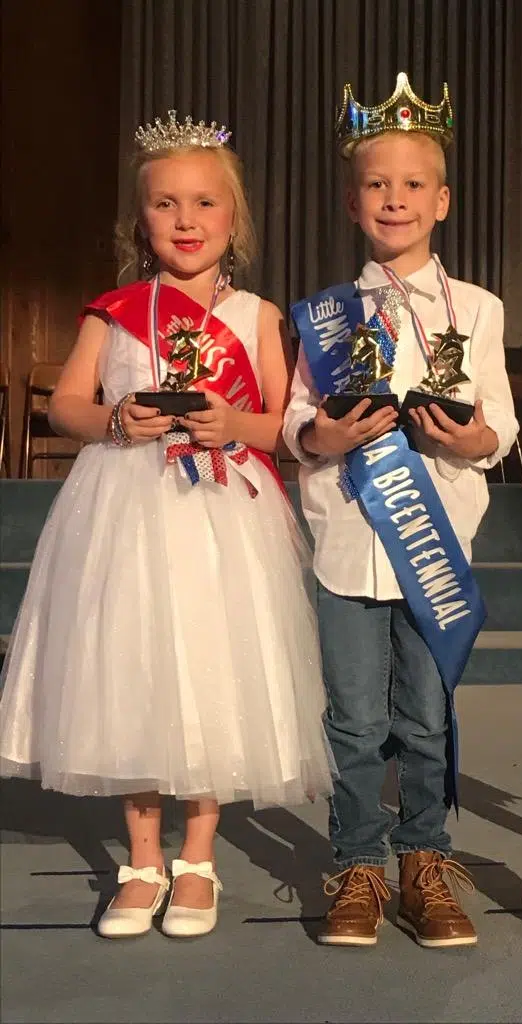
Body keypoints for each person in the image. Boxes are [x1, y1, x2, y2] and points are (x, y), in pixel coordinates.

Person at [0, 110, 334, 940]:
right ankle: (140, 859)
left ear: (235, 218)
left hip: (223, 517)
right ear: (139, 220)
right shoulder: (114, 312)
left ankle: (198, 858)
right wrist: (115, 420)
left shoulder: (258, 316)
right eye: (166, 205)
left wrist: (233, 423)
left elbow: (285, 426)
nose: (186, 221)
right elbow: (70, 404)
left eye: (205, 204)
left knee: (210, 671)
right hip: (127, 509)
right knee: (134, 668)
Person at [284, 73, 518, 948]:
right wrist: (324, 436)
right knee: (353, 717)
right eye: (377, 184)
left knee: (424, 715)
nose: (395, 199)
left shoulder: (481, 312)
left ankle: (424, 861)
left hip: (435, 540)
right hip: (348, 540)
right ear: (352, 202)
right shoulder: (321, 316)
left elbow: (499, 424)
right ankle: (356, 867)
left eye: (413, 184)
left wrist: (467, 441)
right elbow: (292, 423)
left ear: (444, 199)